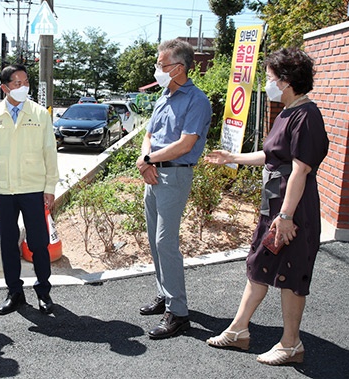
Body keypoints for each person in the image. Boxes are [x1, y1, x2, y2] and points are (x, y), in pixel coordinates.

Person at [204, 48, 329, 366]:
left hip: (292, 211)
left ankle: (290, 345)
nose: (268, 83)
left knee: (291, 273)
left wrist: (286, 216)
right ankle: (238, 331)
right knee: (258, 266)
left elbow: (300, 170)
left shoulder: (306, 115)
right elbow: (269, 155)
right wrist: (232, 158)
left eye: (271, 78)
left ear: (286, 81)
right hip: (273, 207)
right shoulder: (286, 112)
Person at [136, 39, 212, 339]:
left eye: (161, 64)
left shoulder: (197, 100)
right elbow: (150, 134)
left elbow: (185, 144)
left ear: (178, 68)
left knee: (166, 242)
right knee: (155, 242)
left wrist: (148, 159)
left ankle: (178, 314)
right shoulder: (163, 96)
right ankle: (164, 294)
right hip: (153, 174)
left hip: (174, 176)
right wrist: (146, 161)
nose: (157, 69)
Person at [0, 64, 59, 316]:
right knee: (8, 243)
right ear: (4, 87)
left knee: (39, 243)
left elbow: (49, 151)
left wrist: (50, 186)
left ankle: (43, 291)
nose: (23, 87)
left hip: (33, 188)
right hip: (3, 190)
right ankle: (14, 292)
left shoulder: (39, 114)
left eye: (26, 82)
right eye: (17, 83)